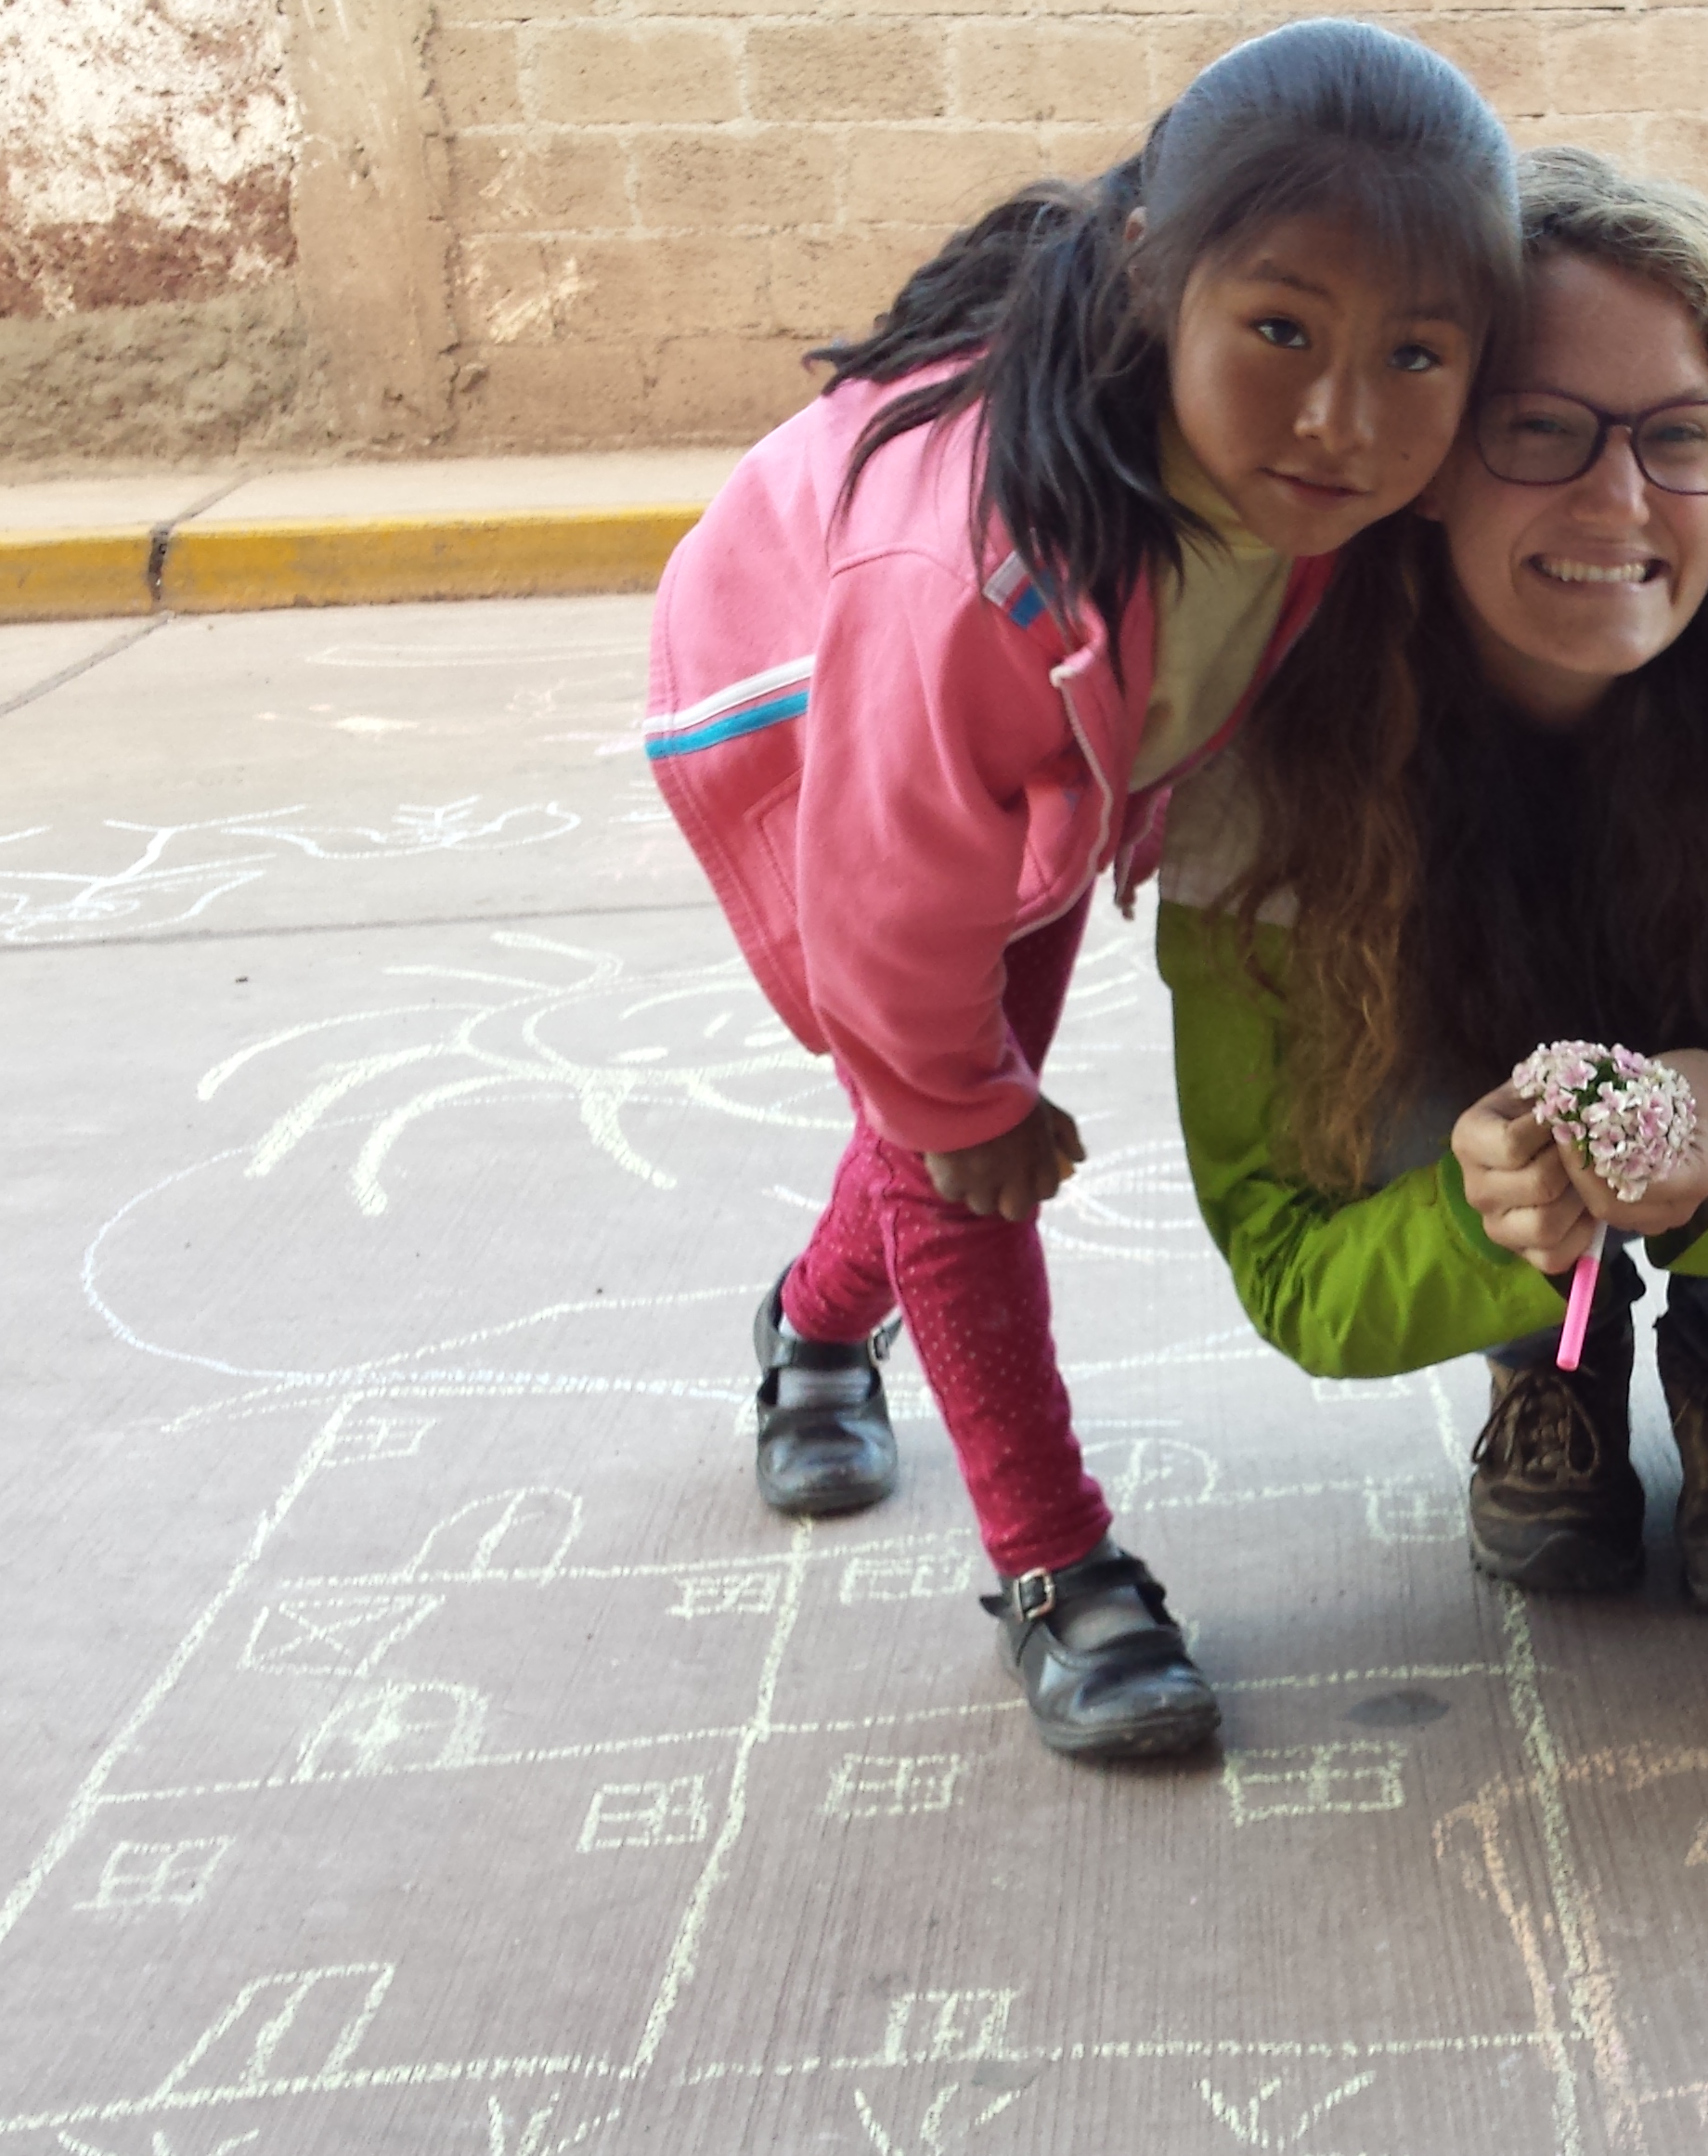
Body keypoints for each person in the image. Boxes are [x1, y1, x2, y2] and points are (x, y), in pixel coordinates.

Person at [638, 20, 1522, 1760]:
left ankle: (813, 1332)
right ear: (1152, 278)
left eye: (1416, 354)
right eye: (1280, 329)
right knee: (953, 1133)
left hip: (1034, 756)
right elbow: (888, 910)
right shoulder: (973, 576)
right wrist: (952, 1091)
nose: (1345, 418)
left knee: (949, 1106)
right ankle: (1055, 1565)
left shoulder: (1318, 490)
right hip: (804, 708)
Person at [1156, 150, 1708, 1616]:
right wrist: (1478, 1223)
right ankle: (1548, 1365)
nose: (1621, 500)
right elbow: (1282, 1257)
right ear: (1433, 457)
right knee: (1396, 996)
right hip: (1487, 1166)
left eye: (1679, 436)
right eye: (1541, 430)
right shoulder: (1274, 756)